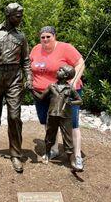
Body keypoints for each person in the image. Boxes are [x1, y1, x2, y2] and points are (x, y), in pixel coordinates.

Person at [0, 3, 32, 173]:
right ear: (9, 15)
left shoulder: (21, 37)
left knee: (14, 116)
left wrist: (28, 78)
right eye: (18, 16)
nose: (20, 19)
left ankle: (16, 154)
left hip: (14, 77)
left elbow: (25, 60)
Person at [29, 26, 85, 171]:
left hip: (65, 93)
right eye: (43, 37)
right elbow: (30, 67)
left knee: (72, 124)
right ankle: (53, 149)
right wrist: (29, 81)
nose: (45, 39)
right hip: (44, 92)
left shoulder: (66, 48)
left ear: (54, 36)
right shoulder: (35, 49)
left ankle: (76, 155)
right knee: (48, 122)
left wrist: (72, 83)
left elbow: (80, 63)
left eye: (48, 36)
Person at [31, 65, 83, 171]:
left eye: (61, 70)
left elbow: (80, 101)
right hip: (52, 115)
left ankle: (72, 161)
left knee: (67, 139)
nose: (57, 71)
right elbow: (41, 98)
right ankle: (47, 153)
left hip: (65, 117)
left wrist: (70, 102)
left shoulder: (70, 88)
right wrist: (31, 90)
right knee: (50, 136)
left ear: (66, 75)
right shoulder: (51, 86)